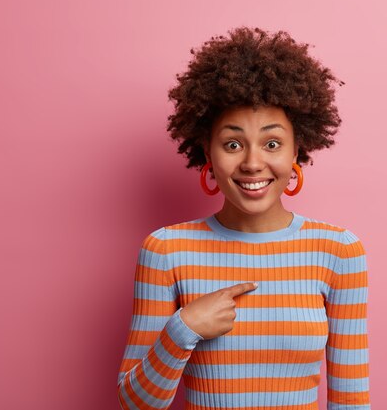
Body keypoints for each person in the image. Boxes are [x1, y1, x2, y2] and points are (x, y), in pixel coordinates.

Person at [116, 26, 371, 410]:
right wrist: (183, 329)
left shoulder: (339, 252)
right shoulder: (165, 251)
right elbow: (135, 404)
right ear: (207, 151)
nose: (253, 164)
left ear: (296, 150)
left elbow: (351, 399)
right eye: (233, 144)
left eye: (272, 143)